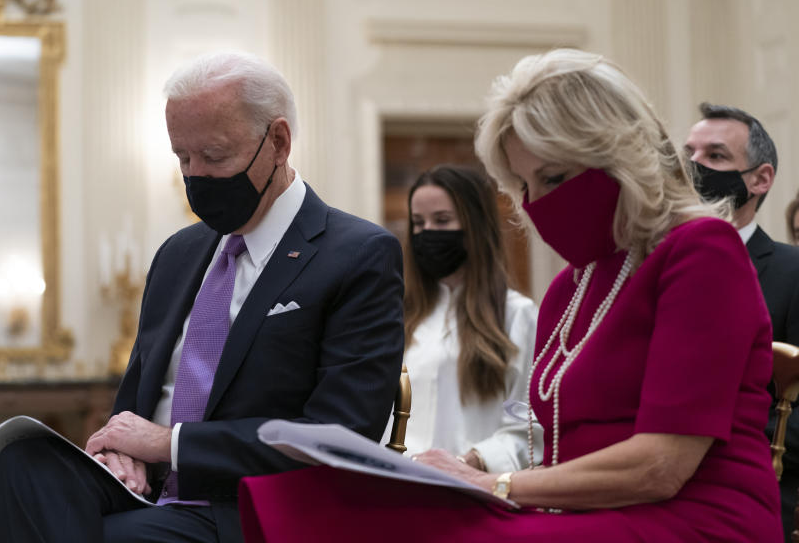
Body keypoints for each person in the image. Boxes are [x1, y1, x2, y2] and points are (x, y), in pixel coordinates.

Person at [237, 48, 781, 542]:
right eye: (524, 186)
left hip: (697, 518)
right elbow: (551, 446)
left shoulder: (700, 250)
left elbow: (661, 466)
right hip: (584, 512)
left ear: (620, 154)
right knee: (318, 505)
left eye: (554, 176)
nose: (536, 203)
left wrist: (496, 485)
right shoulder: (572, 286)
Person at [0, 51, 405, 543]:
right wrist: (123, 452)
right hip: (146, 492)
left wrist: (169, 444)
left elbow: (341, 434)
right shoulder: (179, 254)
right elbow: (135, 403)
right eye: (182, 157)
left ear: (279, 141)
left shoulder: (356, 255)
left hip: (244, 506)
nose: (194, 174)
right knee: (24, 463)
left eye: (214, 156)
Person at [685, 104, 799, 541]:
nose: (694, 167)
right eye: (689, 155)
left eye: (714, 157)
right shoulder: (646, 268)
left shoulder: (792, 274)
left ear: (760, 179)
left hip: (761, 496)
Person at [393, 164, 541, 472]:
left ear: (475, 226)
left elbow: (528, 426)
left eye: (442, 220)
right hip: (399, 488)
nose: (427, 232)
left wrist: (471, 460)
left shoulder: (518, 316)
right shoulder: (398, 315)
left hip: (476, 489)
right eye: (418, 223)